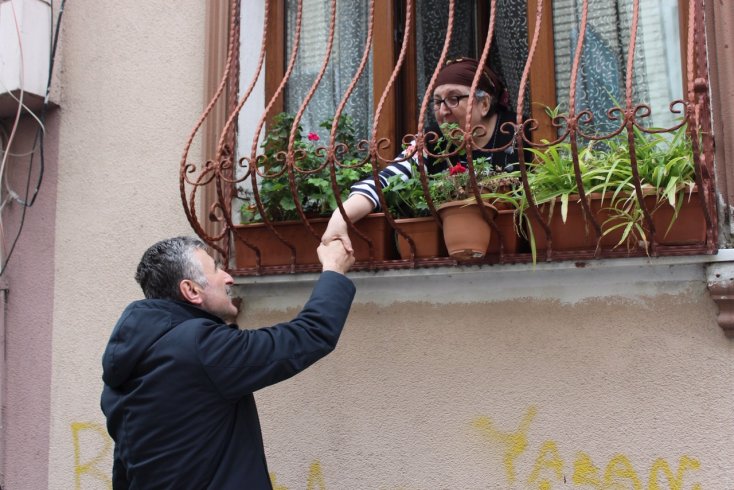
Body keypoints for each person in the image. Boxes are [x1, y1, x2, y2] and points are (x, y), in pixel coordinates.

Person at [100, 236, 355, 489]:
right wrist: (334, 270)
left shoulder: (127, 366)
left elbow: (123, 472)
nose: (228, 278)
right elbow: (308, 335)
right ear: (191, 290)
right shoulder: (200, 347)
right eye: (216, 269)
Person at [322, 57, 524, 251]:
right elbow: (386, 179)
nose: (443, 111)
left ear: (484, 104)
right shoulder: (431, 139)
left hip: (518, 250)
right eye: (437, 101)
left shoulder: (522, 132)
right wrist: (339, 219)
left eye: (454, 99)